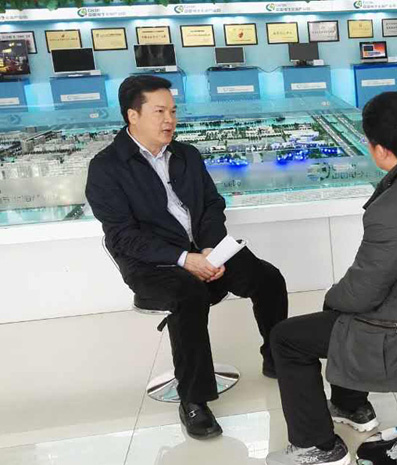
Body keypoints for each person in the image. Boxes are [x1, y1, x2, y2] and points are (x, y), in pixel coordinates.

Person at [85, 75, 288, 440]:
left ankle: (276, 358)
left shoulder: (187, 155)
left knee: (268, 278)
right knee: (188, 295)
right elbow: (123, 236)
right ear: (133, 115)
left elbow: (211, 204)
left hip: (204, 250)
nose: (170, 120)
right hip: (151, 264)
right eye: (159, 112)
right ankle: (194, 399)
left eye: (173, 111)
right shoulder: (106, 168)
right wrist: (184, 259)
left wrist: (208, 248)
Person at [264, 92, 397, 465]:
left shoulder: (390, 209)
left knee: (287, 338)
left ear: (380, 150)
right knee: (341, 308)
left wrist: (332, 296)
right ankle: (351, 404)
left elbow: (361, 294)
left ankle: (317, 446)